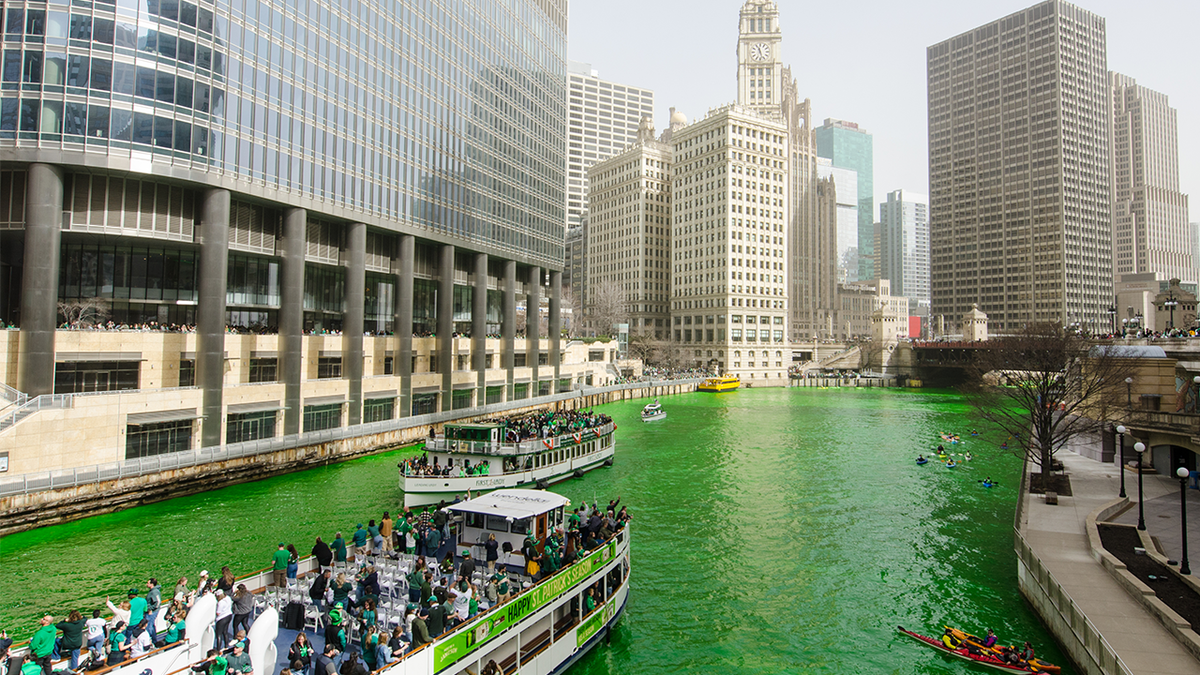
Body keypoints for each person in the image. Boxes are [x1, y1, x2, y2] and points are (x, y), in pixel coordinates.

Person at [145, 578, 162, 645]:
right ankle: (153, 639)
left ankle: (150, 641)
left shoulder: (154, 592)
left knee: (149, 626)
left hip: (152, 612)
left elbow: (157, 602)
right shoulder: (153, 591)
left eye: (148, 583)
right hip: (152, 610)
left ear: (152, 584)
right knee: (152, 626)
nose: (147, 584)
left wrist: (151, 609)